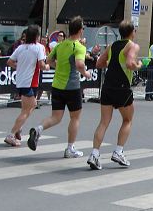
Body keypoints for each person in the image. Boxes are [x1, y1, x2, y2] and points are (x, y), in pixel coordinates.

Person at [27, 16, 93, 158]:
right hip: (72, 87)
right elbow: (80, 64)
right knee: (75, 118)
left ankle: (38, 129)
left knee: (56, 117)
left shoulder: (60, 45)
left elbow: (48, 60)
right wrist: (86, 73)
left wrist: (59, 66)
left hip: (57, 85)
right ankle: (70, 148)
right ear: (80, 30)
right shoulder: (79, 47)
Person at [87, 20, 141, 170]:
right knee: (127, 119)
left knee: (104, 122)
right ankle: (118, 151)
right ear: (132, 32)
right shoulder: (132, 46)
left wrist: (112, 64)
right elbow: (130, 64)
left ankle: (94, 154)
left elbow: (99, 63)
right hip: (122, 87)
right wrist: (138, 65)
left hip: (108, 86)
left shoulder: (112, 45)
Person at [4, 25, 48, 147]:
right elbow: (41, 65)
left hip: (22, 81)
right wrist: (47, 67)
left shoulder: (21, 47)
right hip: (30, 81)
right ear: (36, 36)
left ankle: (18, 127)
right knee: (28, 109)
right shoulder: (39, 47)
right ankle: (12, 134)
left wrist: (19, 67)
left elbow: (9, 61)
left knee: (29, 107)